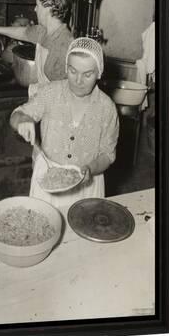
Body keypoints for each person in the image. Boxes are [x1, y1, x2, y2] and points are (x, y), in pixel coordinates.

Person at [9, 37, 119, 209]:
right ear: (66, 67)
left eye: (87, 74)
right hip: (48, 177)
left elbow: (107, 154)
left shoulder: (107, 108)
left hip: (87, 183)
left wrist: (90, 169)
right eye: (73, 71)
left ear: (99, 73)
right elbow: (18, 114)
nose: (78, 81)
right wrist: (23, 121)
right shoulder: (51, 93)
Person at [0, 0, 73, 97]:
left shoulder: (64, 45)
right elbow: (24, 32)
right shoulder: (44, 31)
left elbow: (62, 94)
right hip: (43, 97)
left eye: (37, 5)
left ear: (48, 8)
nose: (35, 9)